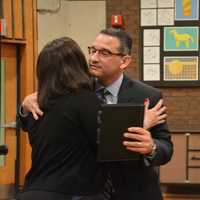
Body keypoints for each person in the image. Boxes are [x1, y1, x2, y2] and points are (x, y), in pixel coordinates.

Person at [19, 28, 173, 200]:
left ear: (124, 61)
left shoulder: (147, 96)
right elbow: (40, 123)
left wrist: (151, 147)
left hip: (134, 192)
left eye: (104, 53)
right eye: (92, 50)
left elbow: (166, 146)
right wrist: (25, 107)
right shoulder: (73, 89)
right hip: (85, 192)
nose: (93, 58)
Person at [17, 37, 108, 200]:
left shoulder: (35, 104)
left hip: (32, 190)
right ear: (77, 66)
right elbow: (105, 145)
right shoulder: (85, 100)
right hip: (73, 192)